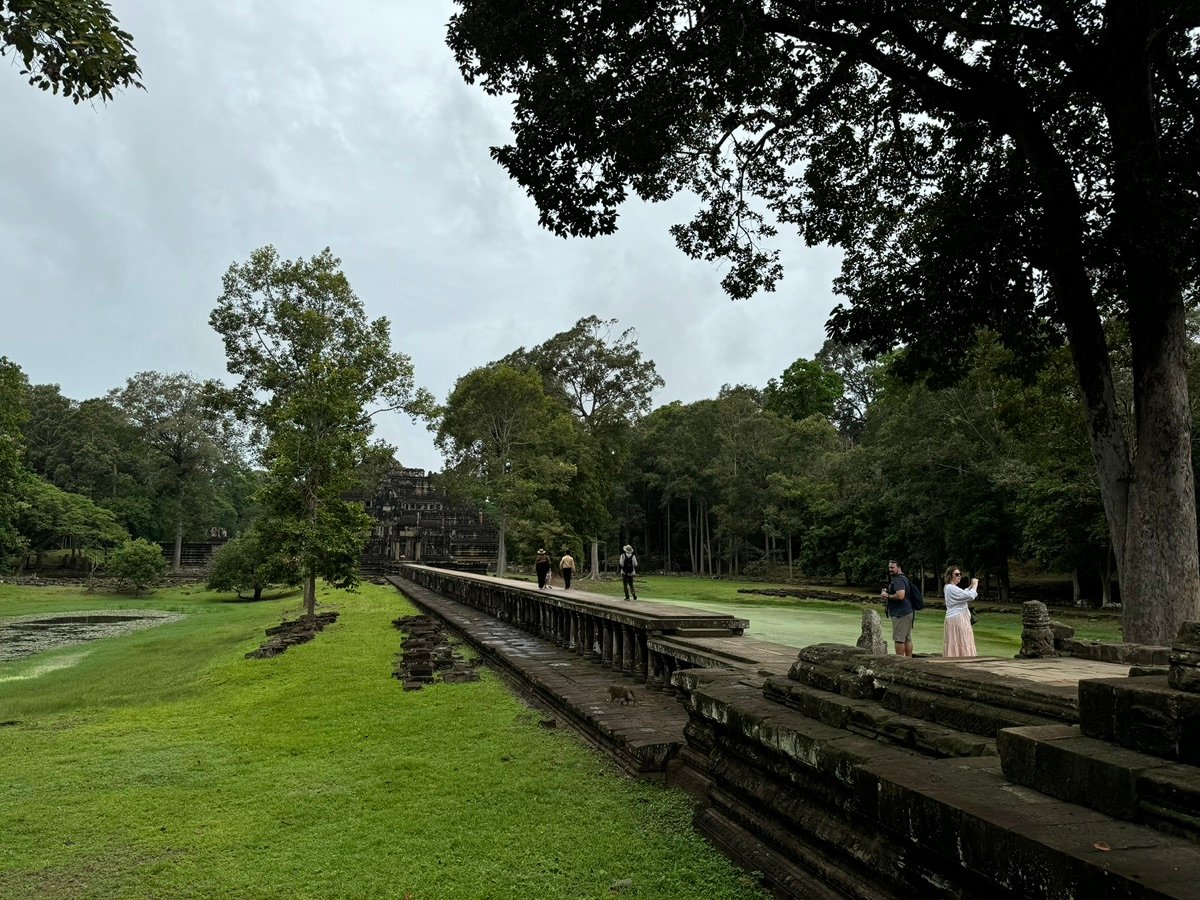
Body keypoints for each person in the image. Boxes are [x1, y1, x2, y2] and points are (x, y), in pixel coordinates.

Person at [880, 558, 914, 657]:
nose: (890, 569)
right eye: (889, 567)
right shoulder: (904, 578)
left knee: (899, 639)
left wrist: (887, 596)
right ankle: (908, 661)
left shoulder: (899, 580)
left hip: (901, 614)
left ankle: (900, 662)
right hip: (907, 612)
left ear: (899, 568)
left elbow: (900, 595)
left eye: (892, 567)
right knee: (907, 638)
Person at [943, 566, 979, 657]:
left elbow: (964, 593)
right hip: (958, 619)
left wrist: (971, 586)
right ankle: (964, 659)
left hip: (955, 618)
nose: (959, 576)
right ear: (950, 576)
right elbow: (970, 596)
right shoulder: (951, 588)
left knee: (957, 641)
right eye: (956, 574)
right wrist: (975, 585)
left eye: (960, 574)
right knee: (962, 640)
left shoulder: (949, 587)